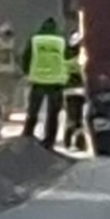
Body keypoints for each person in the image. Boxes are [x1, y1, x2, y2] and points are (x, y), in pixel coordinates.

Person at [21, 17, 77, 149]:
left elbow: (26, 57)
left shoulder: (35, 40)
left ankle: (27, 136)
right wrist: (69, 78)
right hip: (56, 82)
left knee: (33, 111)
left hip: (38, 80)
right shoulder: (61, 41)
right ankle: (49, 140)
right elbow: (69, 59)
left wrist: (27, 72)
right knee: (53, 113)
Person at [0, 22, 20, 124]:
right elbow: (17, 57)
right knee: (5, 94)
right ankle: (3, 113)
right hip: (6, 71)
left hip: (1, 71)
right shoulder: (12, 44)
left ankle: (0, 113)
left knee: (0, 94)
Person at [62, 30, 86, 150]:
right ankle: (79, 143)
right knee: (80, 119)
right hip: (81, 92)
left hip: (69, 92)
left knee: (71, 118)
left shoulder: (66, 63)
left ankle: (67, 142)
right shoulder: (82, 62)